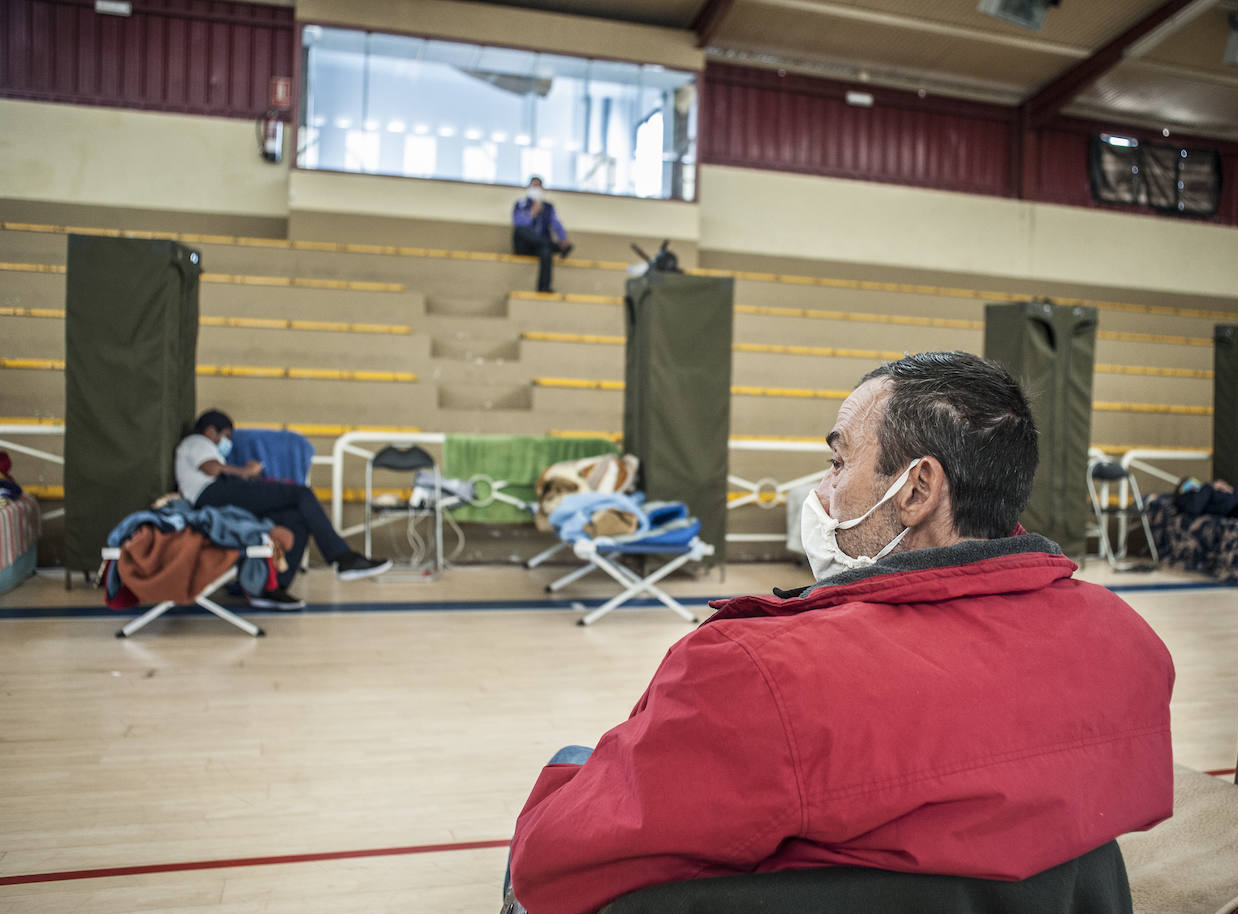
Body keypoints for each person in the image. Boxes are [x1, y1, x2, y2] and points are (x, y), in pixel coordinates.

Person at [504, 352, 1175, 914]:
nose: (822, 493)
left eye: (838, 461)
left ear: (917, 490)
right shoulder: (1129, 647)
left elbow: (549, 867)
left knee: (572, 764)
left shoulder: (754, 673)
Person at [173, 410, 391, 609]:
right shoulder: (197, 441)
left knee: (296, 518)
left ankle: (272, 588)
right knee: (300, 493)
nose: (228, 442)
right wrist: (245, 472)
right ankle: (342, 557)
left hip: (222, 495)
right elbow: (210, 468)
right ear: (211, 431)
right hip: (211, 495)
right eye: (227, 436)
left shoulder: (204, 446)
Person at [511, 176, 572, 294]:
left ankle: (543, 287)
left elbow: (555, 223)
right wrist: (532, 213)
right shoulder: (520, 204)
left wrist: (563, 238)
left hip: (539, 247)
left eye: (538, 186)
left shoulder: (548, 207)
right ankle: (556, 247)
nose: (536, 188)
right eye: (533, 185)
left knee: (546, 251)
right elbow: (518, 222)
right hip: (524, 246)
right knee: (520, 230)